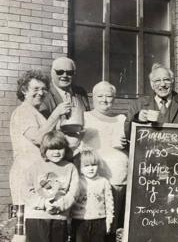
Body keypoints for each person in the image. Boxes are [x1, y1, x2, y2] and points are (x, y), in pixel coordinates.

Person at [9, 70, 72, 240]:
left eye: (44, 89)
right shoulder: (23, 111)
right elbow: (37, 138)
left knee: (39, 228)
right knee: (22, 230)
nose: (41, 93)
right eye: (35, 88)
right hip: (24, 174)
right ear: (24, 90)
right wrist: (56, 114)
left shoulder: (38, 113)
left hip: (39, 176)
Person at [79, 81, 128, 241]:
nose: (104, 99)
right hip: (94, 180)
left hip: (118, 180)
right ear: (93, 97)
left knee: (112, 227)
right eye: (100, 95)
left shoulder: (121, 119)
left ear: (114, 99)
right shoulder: (85, 117)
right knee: (93, 225)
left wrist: (126, 144)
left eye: (109, 96)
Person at [23, 130, 79, 242]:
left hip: (58, 218)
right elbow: (26, 191)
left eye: (60, 148)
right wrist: (43, 203)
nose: (56, 152)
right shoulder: (35, 167)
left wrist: (59, 206)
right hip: (36, 217)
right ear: (44, 150)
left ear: (66, 149)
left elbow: (74, 192)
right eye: (52, 149)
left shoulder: (70, 168)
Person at [125, 63, 178, 136]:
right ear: (152, 84)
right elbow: (128, 134)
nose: (162, 84)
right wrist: (137, 118)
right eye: (157, 80)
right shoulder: (138, 104)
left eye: (166, 79)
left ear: (172, 81)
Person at [72, 148, 114, 242]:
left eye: (93, 165)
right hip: (80, 221)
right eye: (86, 166)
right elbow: (71, 201)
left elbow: (109, 203)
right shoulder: (77, 182)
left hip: (99, 220)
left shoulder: (103, 181)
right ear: (80, 168)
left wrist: (109, 220)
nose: (90, 168)